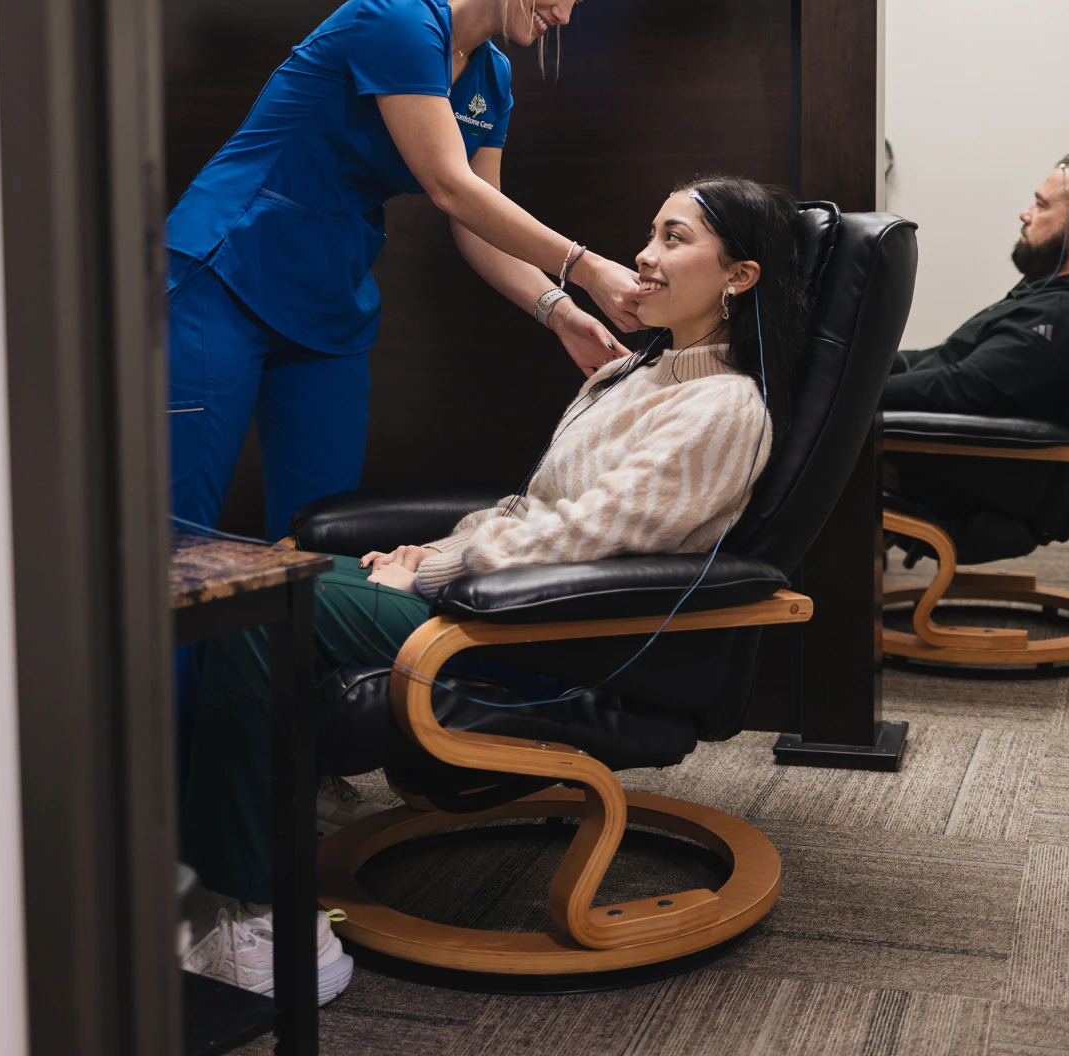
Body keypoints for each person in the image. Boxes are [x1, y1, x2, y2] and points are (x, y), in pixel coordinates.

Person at [181, 176, 810, 1003]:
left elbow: (591, 537)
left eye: (673, 238)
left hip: (553, 638)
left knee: (257, 611)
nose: (644, 257)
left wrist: (440, 570)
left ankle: (267, 922)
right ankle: (218, 865)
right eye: (649, 234)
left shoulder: (723, 406)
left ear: (740, 277)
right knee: (258, 580)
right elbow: (533, 505)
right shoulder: (628, 376)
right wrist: (435, 548)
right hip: (499, 597)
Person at [167, 0, 643, 545]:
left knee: (320, 538)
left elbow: (482, 223)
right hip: (223, 272)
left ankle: (294, 653)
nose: (563, 13)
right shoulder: (399, 15)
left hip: (327, 297)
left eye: (577, 2)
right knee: (176, 534)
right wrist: (585, 269)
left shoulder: (492, 77)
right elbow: (450, 187)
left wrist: (559, 312)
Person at [884, 152, 1069, 523]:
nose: (1025, 213)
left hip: (954, 480)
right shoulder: (1047, 293)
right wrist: (857, 365)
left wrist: (846, 391)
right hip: (939, 458)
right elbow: (946, 358)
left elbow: (962, 387)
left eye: (1041, 204)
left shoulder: (1065, 315)